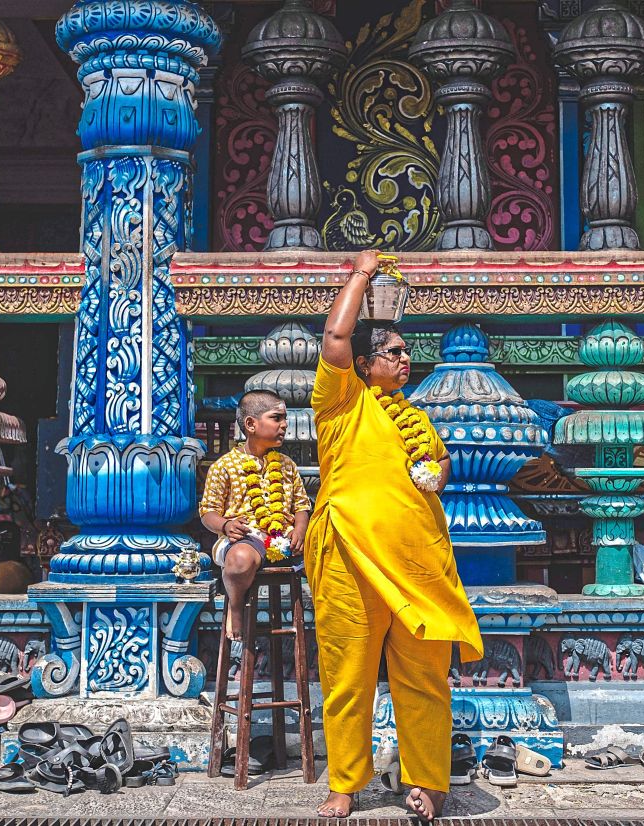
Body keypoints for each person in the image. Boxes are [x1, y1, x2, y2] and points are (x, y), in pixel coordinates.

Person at [307, 249, 482, 821]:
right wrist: (361, 272)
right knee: (348, 677)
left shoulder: (415, 414)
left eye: (407, 351)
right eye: (394, 352)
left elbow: (439, 463)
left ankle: (428, 781)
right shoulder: (340, 405)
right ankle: (345, 783)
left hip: (417, 567)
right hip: (351, 558)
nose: (406, 358)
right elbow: (335, 337)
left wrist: (439, 471)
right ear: (363, 365)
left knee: (425, 678)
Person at [199, 390, 312, 642]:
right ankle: (236, 607)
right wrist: (226, 525)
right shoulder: (224, 466)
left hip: (285, 541)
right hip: (244, 539)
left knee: (331, 554)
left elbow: (302, 506)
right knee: (239, 560)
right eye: (276, 418)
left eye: (284, 419)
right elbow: (208, 512)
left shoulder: (286, 465)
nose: (284, 425)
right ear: (251, 424)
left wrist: (300, 531)